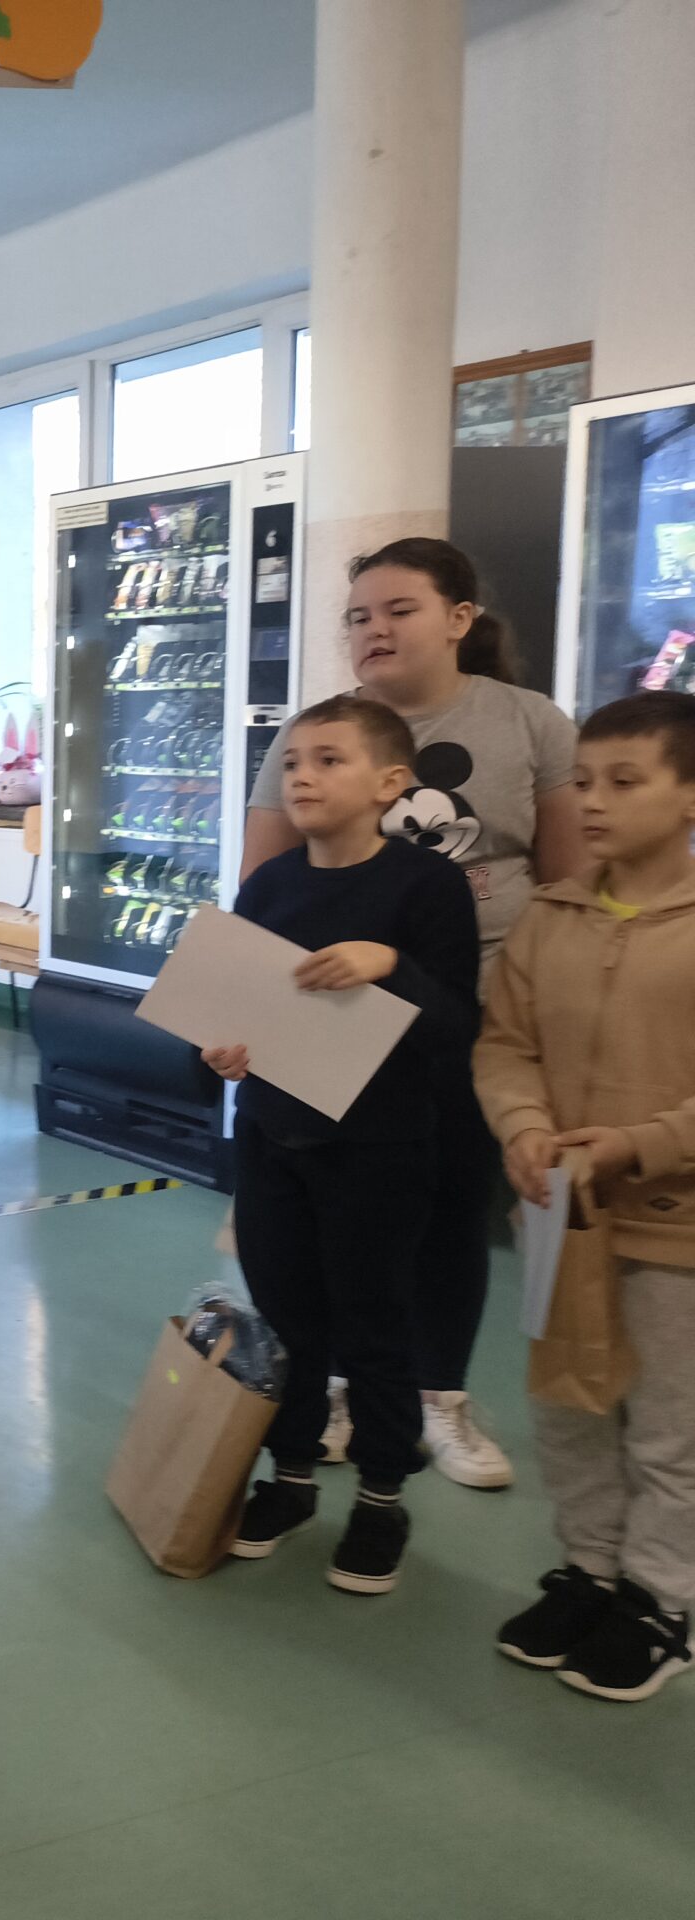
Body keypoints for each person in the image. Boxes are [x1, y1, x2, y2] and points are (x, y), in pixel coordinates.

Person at [241, 539, 588, 1488]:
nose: (375, 630)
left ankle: (441, 1397)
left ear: (459, 619)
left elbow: (568, 878)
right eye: (358, 616)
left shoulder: (528, 721)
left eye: (399, 610)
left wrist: (553, 1017)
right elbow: (263, 893)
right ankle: (346, 1390)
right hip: (332, 1020)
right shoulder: (315, 733)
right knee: (336, 1220)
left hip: (478, 1012)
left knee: (450, 1209)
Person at [207, 696, 481, 1596]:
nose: (303, 777)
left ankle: (380, 1497)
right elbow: (239, 1011)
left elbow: (456, 1024)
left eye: (329, 760)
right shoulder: (270, 887)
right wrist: (223, 1050)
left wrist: (389, 965)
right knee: (287, 1319)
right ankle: (289, 1480)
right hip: (272, 1137)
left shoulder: (425, 888)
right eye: (293, 762)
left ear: (390, 783)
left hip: (380, 1147)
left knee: (373, 1323)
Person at [477, 690, 695, 1702]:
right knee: (568, 1404)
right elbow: (505, 1045)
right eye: (584, 782)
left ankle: (661, 1597)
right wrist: (523, 1127)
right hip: (558, 1217)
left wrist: (640, 1145)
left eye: (624, 782)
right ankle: (590, 1569)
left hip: (675, 1229)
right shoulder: (550, 916)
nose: (592, 802)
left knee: (667, 1425)